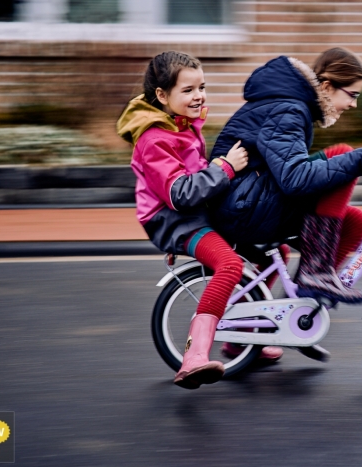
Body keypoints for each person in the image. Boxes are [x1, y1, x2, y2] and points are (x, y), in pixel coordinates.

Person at [116, 51, 281, 390]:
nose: (198, 96)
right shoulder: (154, 138)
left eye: (201, 87)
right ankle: (193, 357)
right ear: (162, 96)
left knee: (269, 252)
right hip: (173, 219)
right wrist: (225, 167)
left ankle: (242, 336)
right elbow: (179, 193)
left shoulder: (184, 125)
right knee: (230, 266)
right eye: (188, 90)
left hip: (196, 212)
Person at [209, 47, 362, 311]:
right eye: (352, 95)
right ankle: (315, 275)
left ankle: (292, 314)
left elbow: (289, 170)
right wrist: (356, 161)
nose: (354, 104)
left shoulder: (292, 106)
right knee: (345, 155)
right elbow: (294, 179)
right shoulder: (288, 110)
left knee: (354, 221)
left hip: (248, 201)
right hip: (240, 207)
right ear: (327, 86)